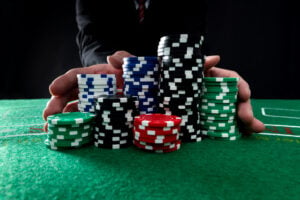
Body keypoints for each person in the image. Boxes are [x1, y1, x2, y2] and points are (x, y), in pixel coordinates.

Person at [43, 0, 265, 134]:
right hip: (117, 86)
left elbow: (188, 41)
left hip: (173, 91)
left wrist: (190, 74)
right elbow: (92, 40)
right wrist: (109, 74)